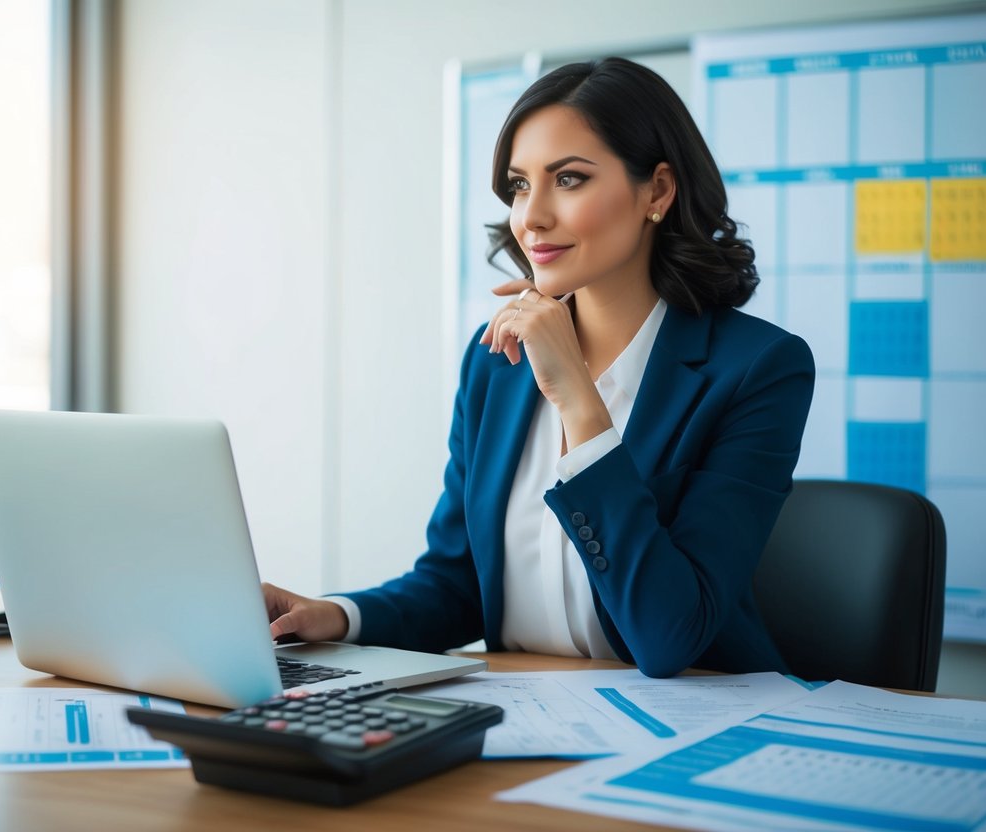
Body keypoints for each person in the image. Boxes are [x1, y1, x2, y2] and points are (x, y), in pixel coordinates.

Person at [264, 57, 815, 677]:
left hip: (692, 722)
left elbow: (669, 636)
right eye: (520, 185)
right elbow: (458, 585)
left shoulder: (759, 368)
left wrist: (581, 405)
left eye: (570, 179)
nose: (531, 217)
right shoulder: (495, 359)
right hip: (526, 713)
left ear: (657, 191)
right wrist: (335, 616)